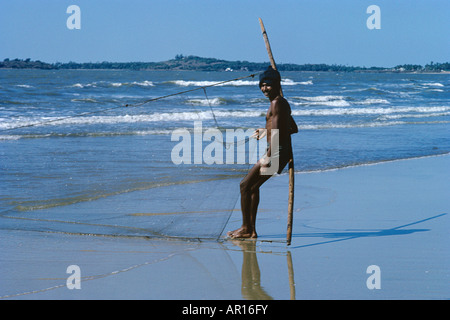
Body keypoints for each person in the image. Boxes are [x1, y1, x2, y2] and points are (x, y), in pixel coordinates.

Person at [227, 66, 298, 239]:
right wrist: (265, 131)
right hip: (278, 152)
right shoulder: (280, 102)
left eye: (268, 85)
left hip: (276, 152)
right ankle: (251, 230)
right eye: (262, 85)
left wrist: (268, 147)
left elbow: (279, 133)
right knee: (252, 186)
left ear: (276, 85)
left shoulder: (277, 103)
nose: (264, 89)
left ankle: (246, 228)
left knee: (244, 185)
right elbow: (293, 128)